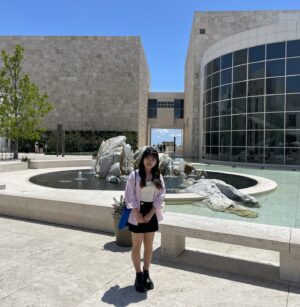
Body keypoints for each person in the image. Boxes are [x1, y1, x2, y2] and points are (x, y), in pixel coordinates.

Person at [124, 146, 165, 293]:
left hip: (151, 214)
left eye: (153, 159)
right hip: (137, 213)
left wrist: (152, 212)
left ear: (156, 161)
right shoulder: (134, 176)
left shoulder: (158, 176)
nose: (150, 161)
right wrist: (137, 213)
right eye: (147, 158)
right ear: (143, 159)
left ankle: (146, 273)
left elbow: (161, 195)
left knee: (149, 246)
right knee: (137, 246)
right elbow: (129, 195)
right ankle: (138, 275)